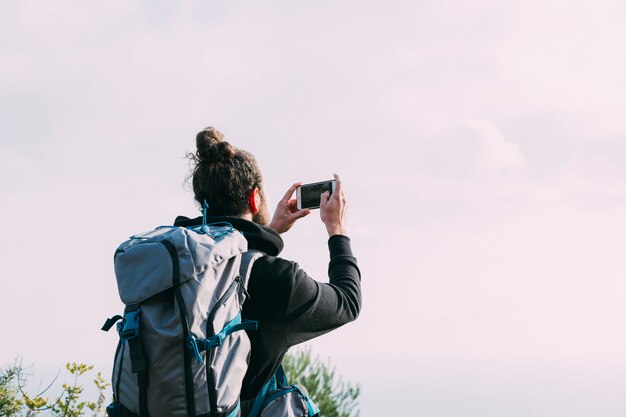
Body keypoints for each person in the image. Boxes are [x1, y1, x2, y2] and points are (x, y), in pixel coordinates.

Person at [174, 127, 362, 412]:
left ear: (203, 202)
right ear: (254, 199)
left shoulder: (175, 265)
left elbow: (227, 261)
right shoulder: (279, 281)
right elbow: (347, 302)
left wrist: (270, 232)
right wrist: (337, 230)